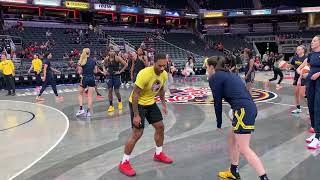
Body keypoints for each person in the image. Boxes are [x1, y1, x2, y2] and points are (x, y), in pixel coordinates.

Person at [207, 56, 269, 180]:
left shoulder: (214, 77)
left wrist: (218, 123)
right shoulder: (231, 74)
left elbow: (217, 102)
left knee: (244, 148)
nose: (206, 69)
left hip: (242, 111)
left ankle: (264, 178)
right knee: (232, 137)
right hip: (247, 108)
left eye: (207, 67)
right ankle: (233, 171)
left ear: (212, 67)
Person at [119, 53, 173, 177]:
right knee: (137, 133)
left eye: (164, 66)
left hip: (150, 103)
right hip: (137, 104)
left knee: (160, 127)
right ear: (154, 63)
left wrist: (164, 104)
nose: (162, 68)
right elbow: (135, 94)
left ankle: (158, 154)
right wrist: (136, 115)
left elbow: (161, 90)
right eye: (160, 66)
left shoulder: (164, 74)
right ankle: (124, 162)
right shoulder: (144, 74)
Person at [297, 35, 320, 149]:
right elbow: (309, 68)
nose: (312, 42)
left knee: (317, 108)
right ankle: (316, 132)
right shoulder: (310, 55)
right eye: (311, 41)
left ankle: (318, 137)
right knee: (311, 107)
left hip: (319, 83)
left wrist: (319, 74)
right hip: (310, 83)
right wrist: (303, 75)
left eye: (314, 40)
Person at [103, 48, 128, 112]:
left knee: (116, 91)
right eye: (111, 51)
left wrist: (120, 71)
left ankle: (120, 102)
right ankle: (111, 105)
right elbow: (103, 65)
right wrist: (105, 71)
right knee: (110, 90)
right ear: (109, 52)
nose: (112, 52)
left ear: (115, 52)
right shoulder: (106, 59)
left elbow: (126, 64)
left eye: (113, 51)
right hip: (109, 76)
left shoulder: (117, 58)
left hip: (116, 76)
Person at [76, 48, 98, 117]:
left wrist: (78, 66)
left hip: (84, 78)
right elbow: (95, 71)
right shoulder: (93, 61)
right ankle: (88, 112)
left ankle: (81, 109)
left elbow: (79, 72)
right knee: (90, 96)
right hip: (92, 79)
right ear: (89, 53)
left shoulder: (82, 61)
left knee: (80, 93)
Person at [288, 45, 307, 113]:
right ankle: (298, 108)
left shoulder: (306, 58)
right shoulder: (295, 58)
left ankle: (309, 108)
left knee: (302, 94)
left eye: (299, 49)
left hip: (303, 77)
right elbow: (292, 65)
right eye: (297, 49)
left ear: (303, 50)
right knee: (296, 93)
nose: (297, 50)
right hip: (296, 77)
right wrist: (285, 66)